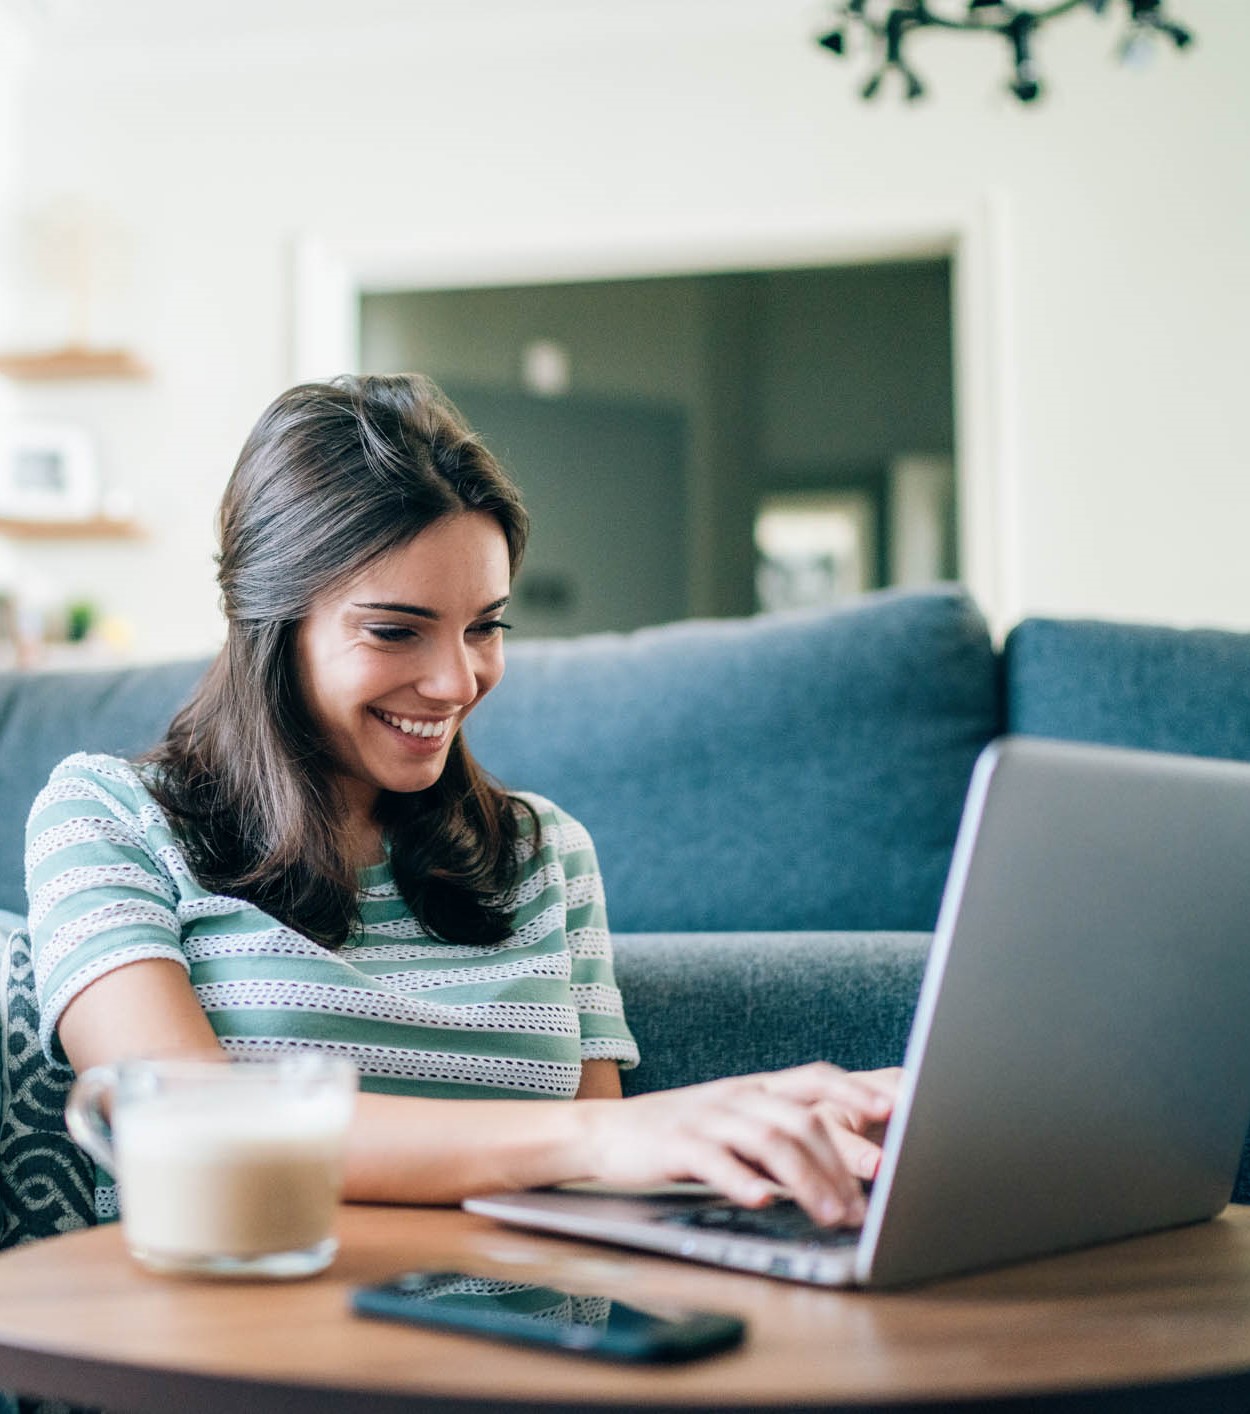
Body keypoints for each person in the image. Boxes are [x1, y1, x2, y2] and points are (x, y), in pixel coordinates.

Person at [26, 373, 898, 1227]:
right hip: (242, 1346)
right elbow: (181, 1125)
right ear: (268, 622)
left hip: (535, 1352)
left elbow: (600, 1195)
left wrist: (762, 1141)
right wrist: (605, 1132)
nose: (456, 680)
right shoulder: (107, 819)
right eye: (395, 630)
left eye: (485, 626)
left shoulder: (544, 852)